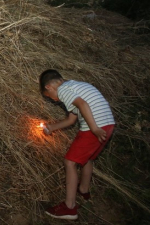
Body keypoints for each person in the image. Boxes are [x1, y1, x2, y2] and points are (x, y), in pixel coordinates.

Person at [39, 69, 115, 220]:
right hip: (108, 124)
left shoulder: (62, 91)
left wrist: (94, 128)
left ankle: (69, 207)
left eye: (50, 97)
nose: (54, 100)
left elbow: (82, 104)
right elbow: (71, 120)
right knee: (87, 159)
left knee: (70, 162)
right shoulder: (74, 86)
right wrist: (51, 128)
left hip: (96, 126)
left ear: (49, 87)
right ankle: (83, 190)